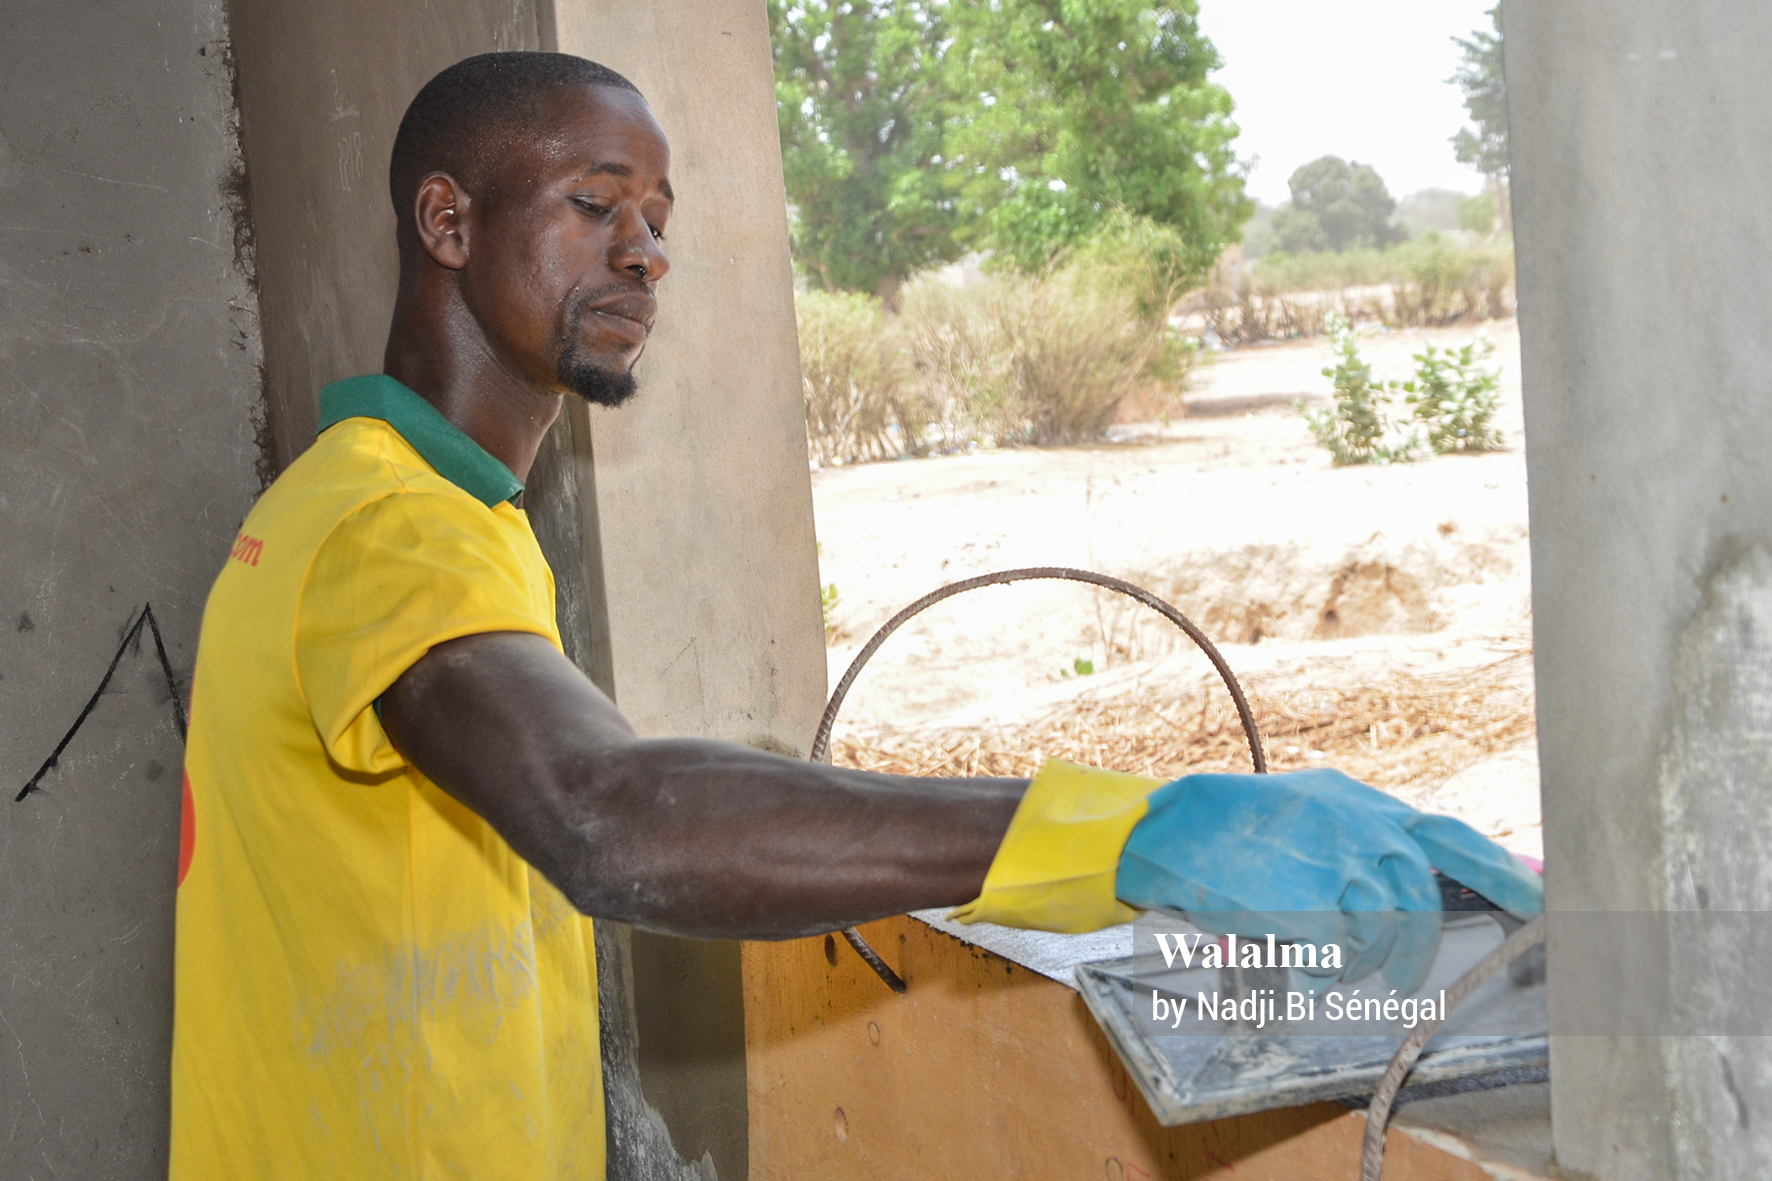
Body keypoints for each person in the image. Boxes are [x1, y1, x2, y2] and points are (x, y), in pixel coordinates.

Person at [167, 51, 1541, 1179]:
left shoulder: (419, 510)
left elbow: (625, 777)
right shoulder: (387, 528)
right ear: (448, 222)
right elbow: (608, 812)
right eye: (596, 203)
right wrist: (1129, 828)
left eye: (659, 216)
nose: (646, 252)